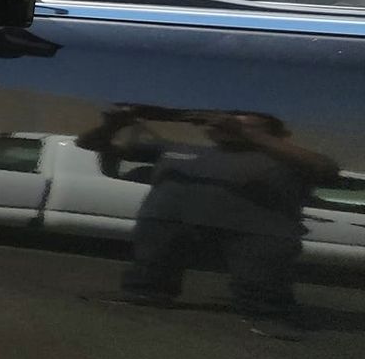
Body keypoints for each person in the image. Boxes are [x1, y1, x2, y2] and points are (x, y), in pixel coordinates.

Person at [79, 103, 340, 337]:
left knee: (261, 279)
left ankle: (268, 315)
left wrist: (251, 135)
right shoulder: (177, 148)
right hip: (167, 223)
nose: (226, 126)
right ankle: (145, 292)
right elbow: (90, 144)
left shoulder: (288, 159)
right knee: (152, 263)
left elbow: (327, 170)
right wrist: (113, 124)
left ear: (276, 134)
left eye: (242, 124)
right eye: (225, 121)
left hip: (257, 232)